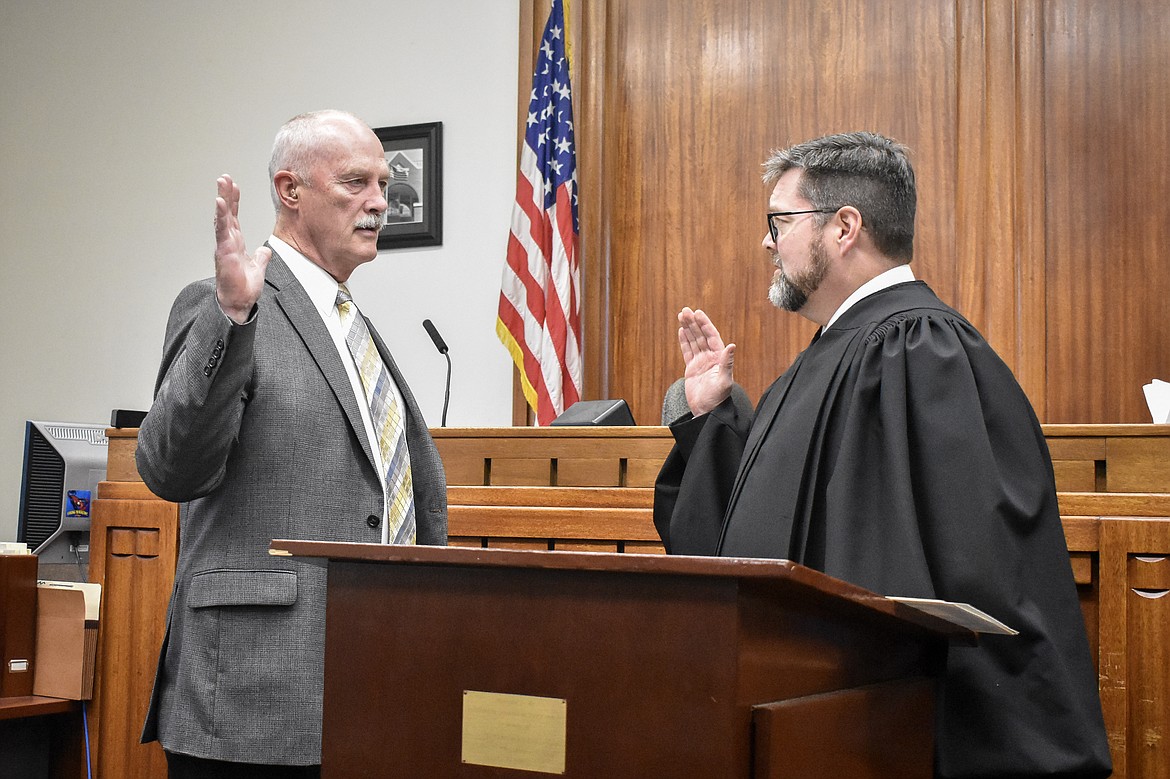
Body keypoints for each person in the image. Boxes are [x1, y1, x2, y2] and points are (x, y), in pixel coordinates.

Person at [653, 132, 1111, 778]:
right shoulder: (822, 359)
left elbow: (960, 578)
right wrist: (710, 420)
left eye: (779, 222)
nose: (767, 243)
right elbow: (754, 553)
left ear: (844, 228)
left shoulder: (923, 353)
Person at [135, 110, 448, 777]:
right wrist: (232, 318)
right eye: (356, 182)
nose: (378, 203)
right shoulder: (226, 305)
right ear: (290, 189)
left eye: (384, 186)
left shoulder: (352, 327)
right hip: (250, 700)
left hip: (366, 691)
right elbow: (168, 466)